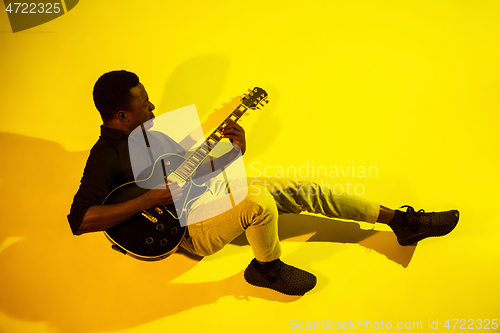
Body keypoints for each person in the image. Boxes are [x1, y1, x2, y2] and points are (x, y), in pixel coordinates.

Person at [68, 70, 459, 296]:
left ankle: (401, 223)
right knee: (259, 204)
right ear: (121, 114)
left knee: (300, 187)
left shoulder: (152, 135)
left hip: (200, 203)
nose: (153, 108)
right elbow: (81, 219)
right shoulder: (106, 155)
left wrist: (230, 156)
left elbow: (185, 178)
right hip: (178, 232)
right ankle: (266, 269)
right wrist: (149, 198)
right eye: (145, 105)